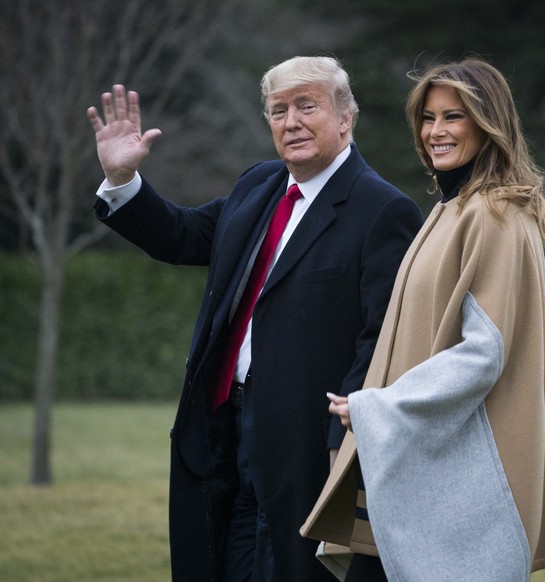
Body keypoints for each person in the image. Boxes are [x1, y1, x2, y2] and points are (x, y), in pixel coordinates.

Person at [86, 56, 423, 581]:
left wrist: (348, 438)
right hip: (223, 430)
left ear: (345, 117)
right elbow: (183, 236)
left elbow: (383, 335)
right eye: (278, 110)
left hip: (308, 442)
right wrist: (123, 179)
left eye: (307, 106)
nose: (291, 121)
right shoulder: (258, 186)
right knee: (226, 562)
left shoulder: (383, 210)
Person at [301, 58, 545, 580]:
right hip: (416, 459)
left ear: (488, 123)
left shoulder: (496, 214)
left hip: (464, 475)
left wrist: (379, 406)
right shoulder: (449, 210)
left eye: (454, 116)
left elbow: (483, 354)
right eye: (428, 118)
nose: (436, 132)